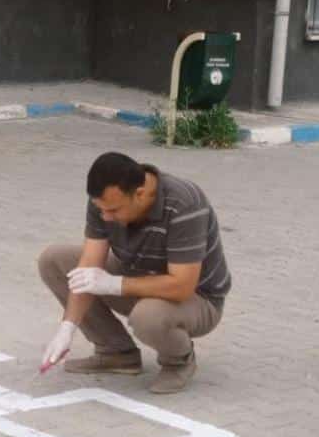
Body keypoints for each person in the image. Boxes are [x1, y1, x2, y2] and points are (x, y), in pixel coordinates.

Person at [37, 152, 230, 394]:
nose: (106, 217)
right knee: (55, 260)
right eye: (102, 209)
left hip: (197, 299)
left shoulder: (184, 203)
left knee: (148, 316)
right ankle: (116, 352)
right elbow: (87, 267)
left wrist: (114, 285)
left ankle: (179, 361)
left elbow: (182, 286)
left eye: (114, 210)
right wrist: (68, 327)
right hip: (137, 276)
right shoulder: (105, 200)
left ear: (140, 194)